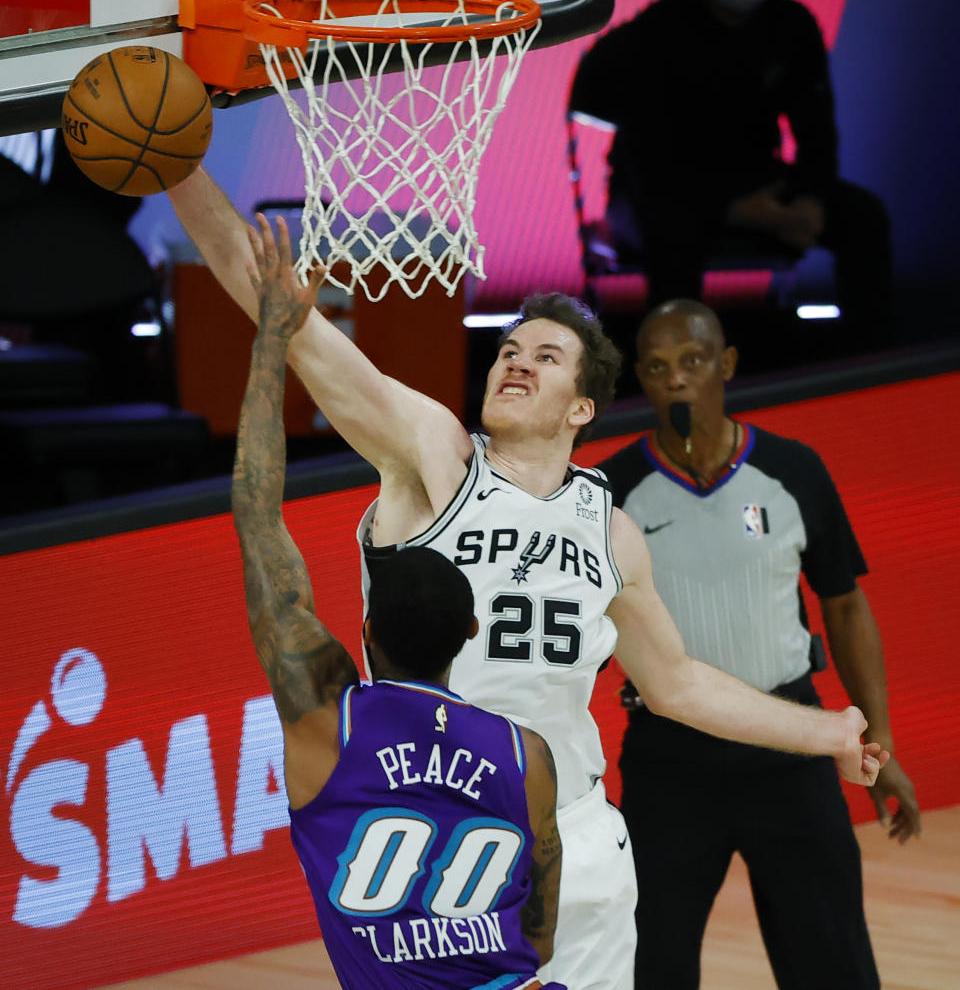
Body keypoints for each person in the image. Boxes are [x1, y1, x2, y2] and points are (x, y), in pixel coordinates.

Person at [170, 166, 888, 990]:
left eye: (546, 358)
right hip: (444, 835)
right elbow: (289, 320)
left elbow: (678, 685)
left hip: (576, 838)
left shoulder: (610, 527)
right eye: (509, 350)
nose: (516, 362)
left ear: (582, 407)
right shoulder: (433, 454)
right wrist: (177, 172)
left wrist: (827, 732)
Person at [230, 230, 566, 989]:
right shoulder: (528, 757)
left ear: (369, 631)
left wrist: (271, 340)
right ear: (469, 634)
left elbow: (258, 522)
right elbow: (540, 937)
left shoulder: (326, 723)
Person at [599, 298, 921, 990]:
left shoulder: (793, 470)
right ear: (642, 382)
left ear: (728, 364)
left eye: (692, 361)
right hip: (668, 763)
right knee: (648, 963)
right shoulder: (611, 491)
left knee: (832, 963)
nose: (676, 380)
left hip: (790, 748)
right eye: (656, 369)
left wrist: (881, 742)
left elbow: (845, 605)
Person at [569, 0, 894, 348]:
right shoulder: (655, 34)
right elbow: (650, 160)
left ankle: (872, 369)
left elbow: (817, 132)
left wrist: (808, 202)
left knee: (864, 216)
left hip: (758, 180)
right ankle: (674, 373)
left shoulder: (794, 26)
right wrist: (736, 209)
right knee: (674, 228)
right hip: (661, 188)